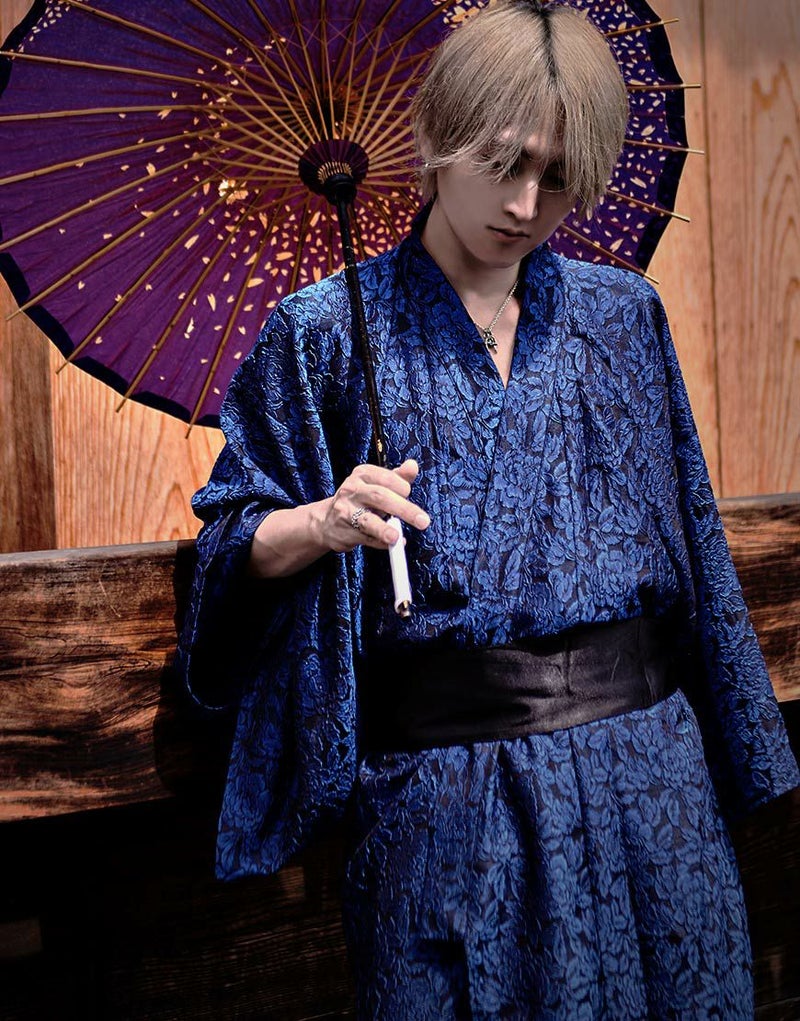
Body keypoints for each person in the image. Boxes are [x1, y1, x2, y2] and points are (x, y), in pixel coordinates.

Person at [178, 1, 800, 1017]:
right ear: (437, 135)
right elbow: (228, 553)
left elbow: (693, 535)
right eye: (501, 161)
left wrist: (743, 749)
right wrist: (323, 520)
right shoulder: (323, 332)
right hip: (447, 807)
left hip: (650, 785)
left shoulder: (622, 318)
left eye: (556, 176)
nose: (522, 202)